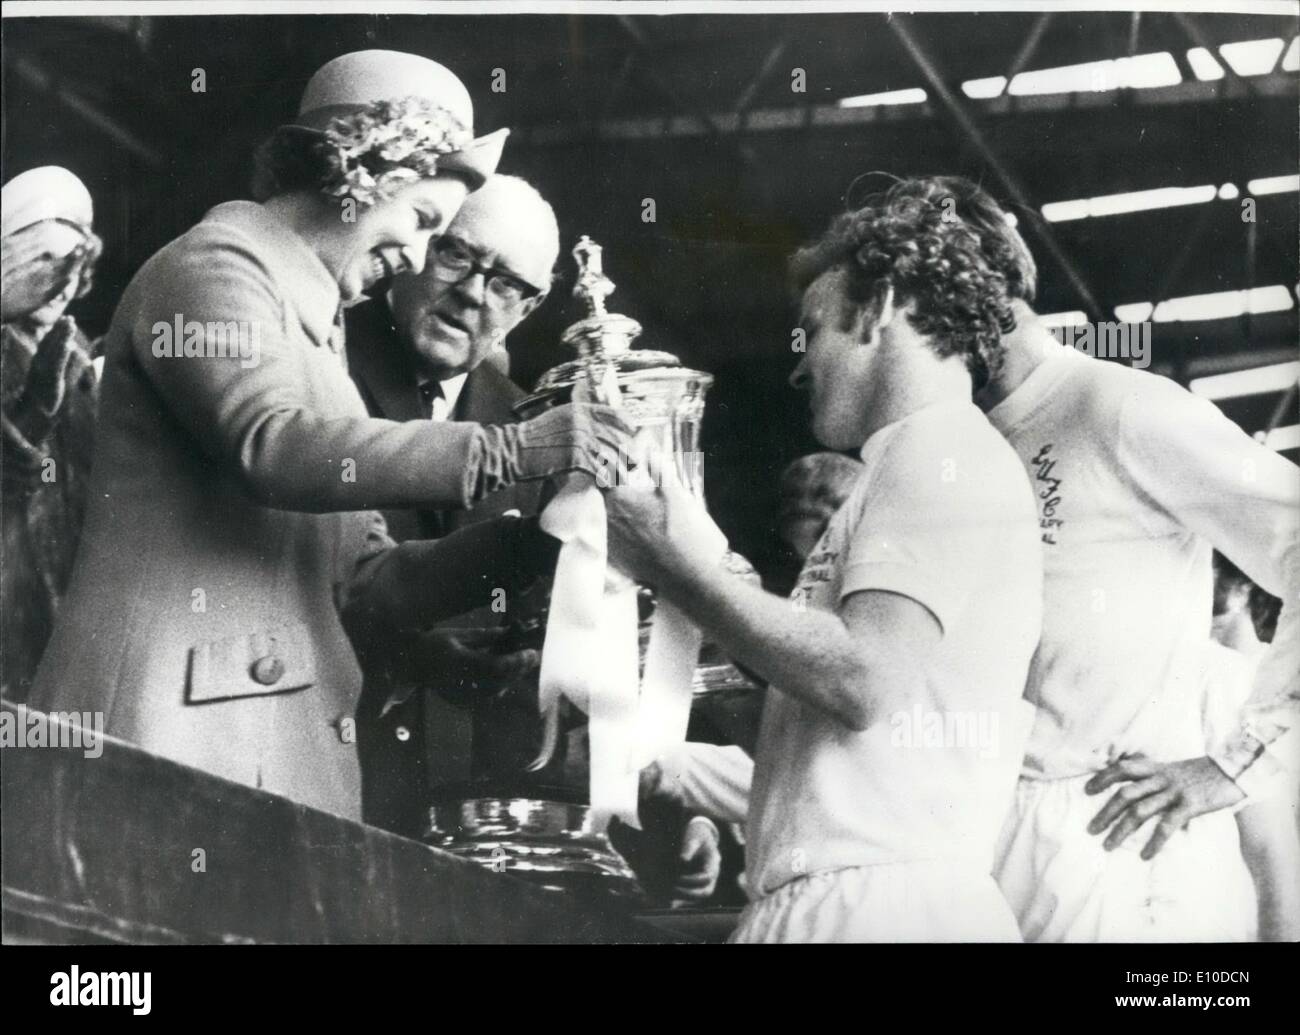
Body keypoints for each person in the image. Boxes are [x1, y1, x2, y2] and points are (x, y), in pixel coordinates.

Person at [28, 51, 632, 821]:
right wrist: (513, 451)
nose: (415, 256)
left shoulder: (318, 338)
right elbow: (271, 443)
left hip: (252, 738)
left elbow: (370, 581)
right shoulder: (213, 265)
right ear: (358, 172)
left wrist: (556, 534)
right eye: (422, 222)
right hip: (165, 730)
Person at [605, 182, 1043, 941]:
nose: (798, 368)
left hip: (875, 909)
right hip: (849, 899)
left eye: (813, 331)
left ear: (876, 308)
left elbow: (860, 675)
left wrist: (674, 568)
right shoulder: (909, 459)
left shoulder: (938, 448)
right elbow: (837, 702)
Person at [928, 175, 1298, 940]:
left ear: (961, 290)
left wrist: (1238, 765)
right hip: (995, 850)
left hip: (1123, 854)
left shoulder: (1120, 404)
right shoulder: (963, 445)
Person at [344, 174, 721, 900]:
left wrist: (669, 798)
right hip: (342, 780)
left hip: (483, 832)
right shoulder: (323, 378)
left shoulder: (538, 422)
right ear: (416, 243)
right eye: (457, 255)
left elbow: (588, 645)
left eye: (507, 283)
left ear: (532, 306)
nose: (474, 292)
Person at [1, 166, 102, 702]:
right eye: (46, 261)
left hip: (74, 589)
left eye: (75, 263)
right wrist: (32, 416)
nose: (62, 282)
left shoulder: (79, 351)